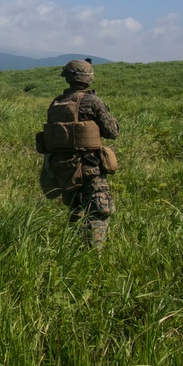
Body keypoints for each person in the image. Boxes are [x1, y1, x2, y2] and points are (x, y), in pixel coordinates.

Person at [39, 59, 119, 248]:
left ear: (67, 78)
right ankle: (93, 255)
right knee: (100, 210)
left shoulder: (57, 103)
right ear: (89, 78)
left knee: (76, 209)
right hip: (90, 167)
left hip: (65, 168)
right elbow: (112, 132)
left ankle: (71, 251)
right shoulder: (92, 101)